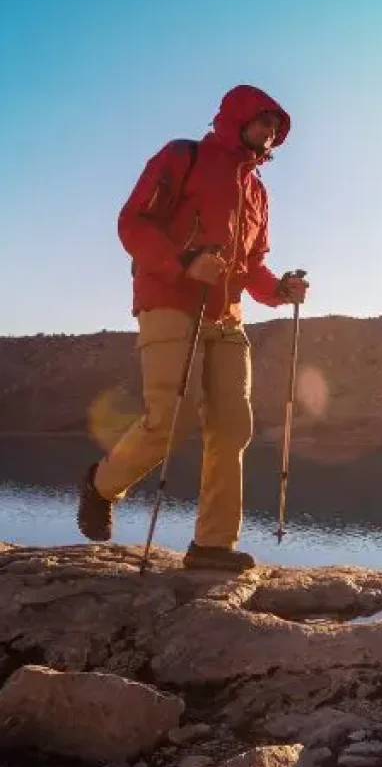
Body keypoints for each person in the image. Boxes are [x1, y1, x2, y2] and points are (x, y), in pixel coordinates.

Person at [77, 84, 309, 572]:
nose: (269, 133)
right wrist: (183, 261)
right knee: (172, 419)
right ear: (237, 117)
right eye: (262, 121)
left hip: (226, 316)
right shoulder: (183, 156)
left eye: (275, 127)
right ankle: (101, 484)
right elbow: (133, 223)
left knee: (232, 427)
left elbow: (253, 265)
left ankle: (212, 547)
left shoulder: (258, 191)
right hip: (169, 303)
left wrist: (279, 290)